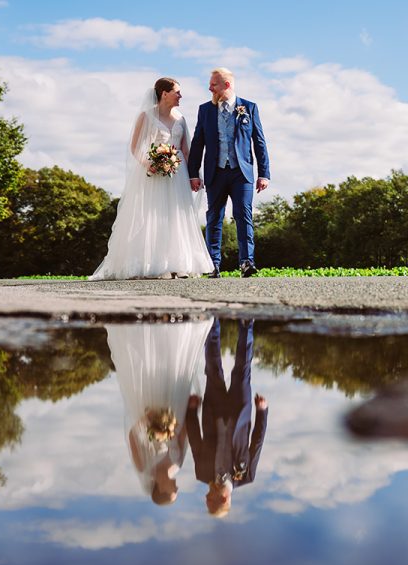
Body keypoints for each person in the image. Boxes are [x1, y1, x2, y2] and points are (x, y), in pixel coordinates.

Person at [90, 77, 213, 280]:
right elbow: (135, 147)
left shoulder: (181, 118)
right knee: (154, 215)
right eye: (177, 92)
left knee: (177, 216)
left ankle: (179, 263)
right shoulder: (146, 116)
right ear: (164, 93)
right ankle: (156, 263)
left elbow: (186, 149)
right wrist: (150, 163)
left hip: (178, 173)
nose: (180, 96)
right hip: (154, 173)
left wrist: (193, 176)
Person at [106, 318, 212, 504]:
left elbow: (133, 437)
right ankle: (174, 324)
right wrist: (191, 409)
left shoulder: (144, 468)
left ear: (161, 489)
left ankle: (147, 326)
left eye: (173, 491)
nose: (177, 487)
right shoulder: (177, 465)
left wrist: (147, 419)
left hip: (149, 407)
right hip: (175, 408)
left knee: (150, 368)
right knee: (172, 367)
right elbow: (183, 436)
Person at [188, 68, 270, 278]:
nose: (209, 88)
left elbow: (259, 142)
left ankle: (246, 262)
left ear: (226, 85)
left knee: (244, 216)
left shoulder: (249, 108)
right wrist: (193, 173)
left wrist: (264, 173)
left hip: (241, 173)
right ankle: (213, 265)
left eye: (213, 84)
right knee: (214, 217)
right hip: (215, 172)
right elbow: (198, 143)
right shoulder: (205, 110)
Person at [186, 319, 269, 517]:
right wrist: (262, 411)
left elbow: (195, 441)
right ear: (223, 499)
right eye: (210, 501)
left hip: (213, 412)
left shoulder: (202, 474)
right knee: (243, 371)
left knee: (213, 369)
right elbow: (257, 443)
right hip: (240, 410)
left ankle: (212, 322)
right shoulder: (247, 476)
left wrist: (191, 411)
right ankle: (246, 324)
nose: (206, 498)